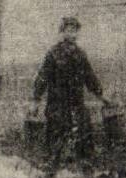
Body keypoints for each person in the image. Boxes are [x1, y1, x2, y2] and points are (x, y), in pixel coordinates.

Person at [31, 17, 106, 166]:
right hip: (57, 103)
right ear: (62, 32)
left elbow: (89, 77)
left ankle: (85, 167)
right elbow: (42, 77)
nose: (72, 34)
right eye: (69, 30)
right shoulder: (53, 53)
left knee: (84, 133)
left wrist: (101, 95)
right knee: (56, 135)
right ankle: (51, 168)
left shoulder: (80, 54)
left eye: (75, 31)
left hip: (77, 102)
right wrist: (35, 100)